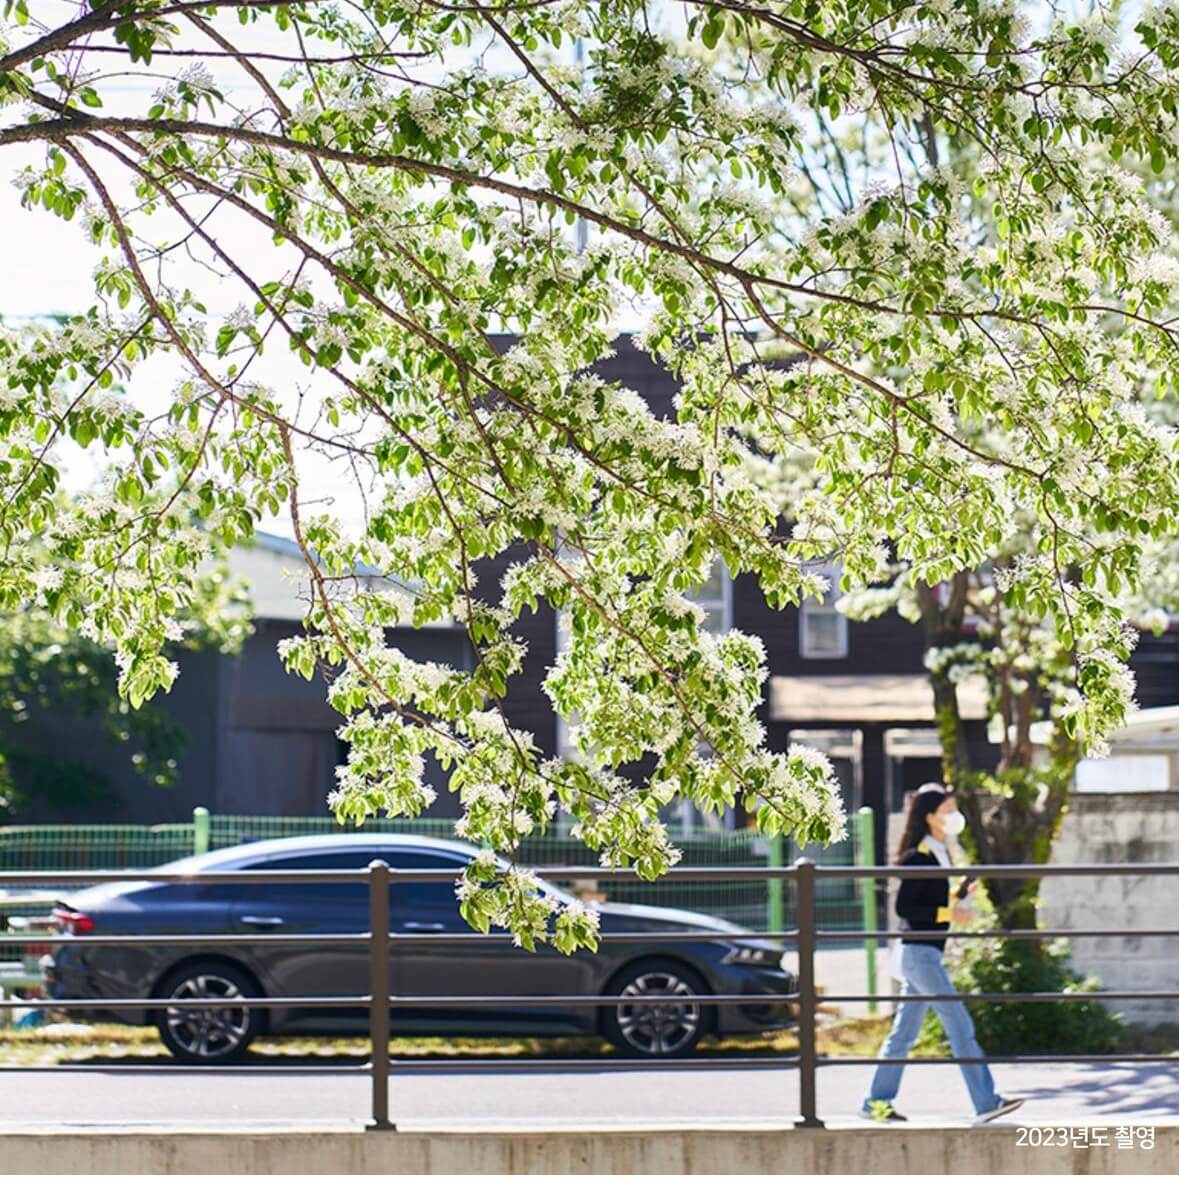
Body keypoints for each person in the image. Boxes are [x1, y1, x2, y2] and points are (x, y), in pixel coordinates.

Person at [860, 783, 1024, 1125]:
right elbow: (907, 906)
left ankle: (875, 1103)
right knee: (960, 1025)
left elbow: (930, 899)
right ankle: (986, 1102)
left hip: (920, 953)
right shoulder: (919, 854)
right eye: (947, 811)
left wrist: (958, 893)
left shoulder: (936, 851)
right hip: (920, 955)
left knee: (903, 1035)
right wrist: (951, 913)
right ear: (931, 816)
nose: (953, 816)